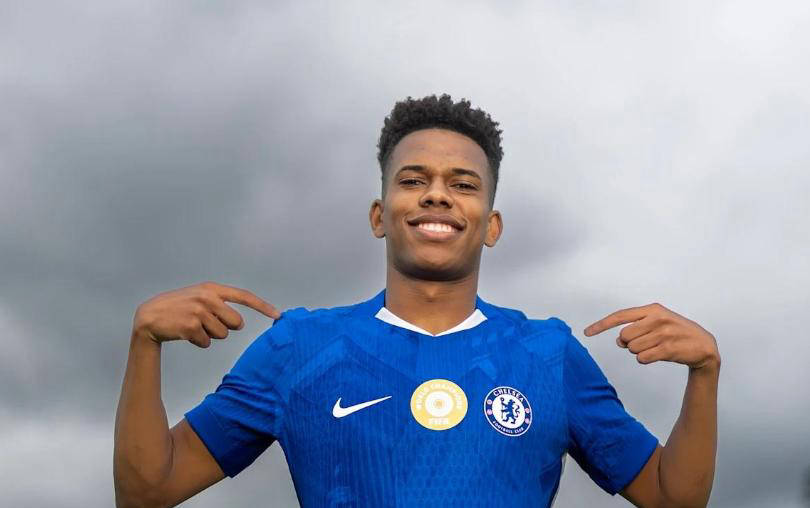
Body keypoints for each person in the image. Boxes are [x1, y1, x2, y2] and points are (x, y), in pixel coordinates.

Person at [113, 94, 720, 507]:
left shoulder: (548, 355)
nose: (437, 196)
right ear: (380, 216)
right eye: (413, 180)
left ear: (491, 225)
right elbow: (147, 490)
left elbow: (671, 495)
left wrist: (704, 373)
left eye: (463, 184)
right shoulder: (300, 347)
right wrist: (145, 344)